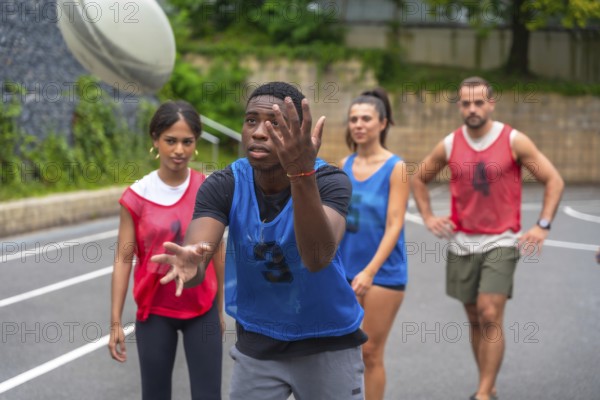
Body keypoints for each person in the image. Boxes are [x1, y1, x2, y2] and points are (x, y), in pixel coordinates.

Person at [151, 82, 367, 400]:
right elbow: (197, 259)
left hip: (326, 340)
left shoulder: (330, 181)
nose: (259, 131)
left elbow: (317, 257)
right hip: (258, 342)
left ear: (298, 132)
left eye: (274, 123)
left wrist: (300, 174)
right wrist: (192, 266)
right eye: (251, 120)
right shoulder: (224, 184)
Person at [411, 76, 564, 400]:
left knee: (489, 312)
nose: (472, 108)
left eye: (479, 102)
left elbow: (553, 179)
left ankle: (481, 394)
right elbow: (419, 178)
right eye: (465, 103)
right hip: (462, 240)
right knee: (473, 317)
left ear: (491, 103)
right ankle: (488, 383)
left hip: (502, 241)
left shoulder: (513, 140)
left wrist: (542, 225)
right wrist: (428, 216)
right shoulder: (451, 143)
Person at [108, 100, 223, 400]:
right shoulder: (136, 196)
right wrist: (116, 320)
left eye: (187, 142)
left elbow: (217, 253)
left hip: (202, 308)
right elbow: (123, 258)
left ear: (196, 143)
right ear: (155, 140)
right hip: (155, 311)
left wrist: (219, 309)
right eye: (170, 141)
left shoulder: (208, 189)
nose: (179, 150)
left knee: (208, 395)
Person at [339, 88, 409, 400]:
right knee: (342, 353)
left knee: (370, 352)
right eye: (354, 119)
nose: (359, 124)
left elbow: (395, 224)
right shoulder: (343, 164)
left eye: (366, 118)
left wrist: (368, 271)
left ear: (383, 123)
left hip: (382, 274)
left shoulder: (397, 168)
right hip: (343, 272)